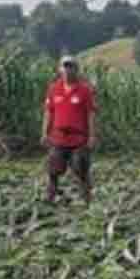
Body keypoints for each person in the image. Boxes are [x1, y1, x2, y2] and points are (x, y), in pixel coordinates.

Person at [42, 55, 97, 204]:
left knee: (80, 167)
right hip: (58, 137)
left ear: (76, 70)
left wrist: (92, 136)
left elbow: (91, 114)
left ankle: (86, 198)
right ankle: (50, 196)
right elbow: (48, 112)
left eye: (70, 67)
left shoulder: (85, 90)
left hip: (79, 139)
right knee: (53, 167)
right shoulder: (54, 89)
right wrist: (44, 133)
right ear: (60, 70)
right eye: (64, 67)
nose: (67, 70)